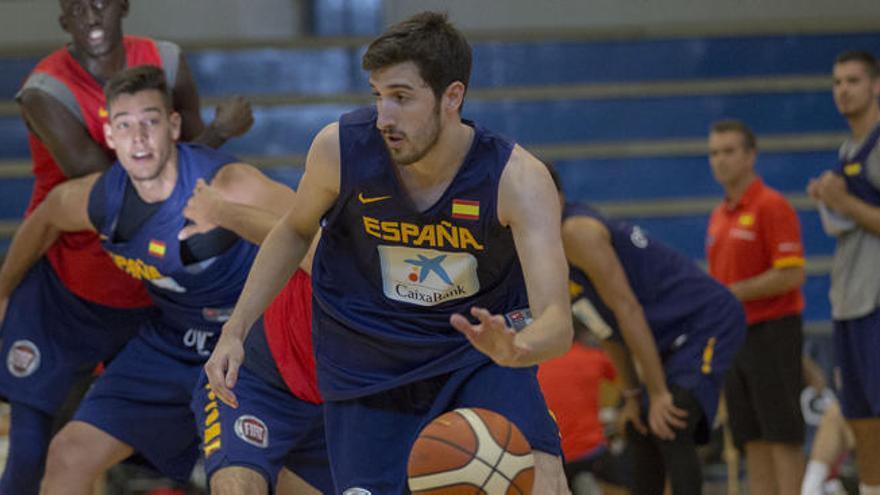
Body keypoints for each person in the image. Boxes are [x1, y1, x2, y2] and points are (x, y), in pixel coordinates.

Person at [206, 11, 574, 495]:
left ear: (452, 97)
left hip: (475, 357)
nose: (384, 117)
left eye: (401, 97)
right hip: (366, 366)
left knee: (542, 481)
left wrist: (520, 347)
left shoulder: (517, 180)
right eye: (378, 96)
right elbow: (293, 231)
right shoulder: (340, 149)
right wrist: (235, 330)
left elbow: (556, 320)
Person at [0, 66, 317, 494]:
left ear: (173, 126)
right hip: (172, 344)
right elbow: (47, 216)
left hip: (248, 349)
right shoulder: (103, 197)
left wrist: (226, 215)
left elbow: (317, 242)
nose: (139, 138)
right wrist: (2, 292)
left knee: (272, 481)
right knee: (68, 454)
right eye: (125, 125)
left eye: (150, 121)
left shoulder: (231, 183)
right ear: (110, 136)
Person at [549, 164, 746, 494]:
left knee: (672, 419)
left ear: (557, 197)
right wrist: (632, 395)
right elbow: (606, 329)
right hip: (666, 337)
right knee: (638, 426)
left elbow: (628, 308)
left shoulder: (576, 231)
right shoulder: (548, 249)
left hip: (705, 320)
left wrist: (656, 393)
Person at [182, 184, 330, 494]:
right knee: (237, 488)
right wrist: (219, 210)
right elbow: (287, 231)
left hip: (341, 402)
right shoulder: (339, 205)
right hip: (260, 379)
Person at [706, 118, 808, 494]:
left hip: (773, 331)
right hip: (735, 337)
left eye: (729, 151)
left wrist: (730, 293)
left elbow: (791, 273)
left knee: (782, 433)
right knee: (751, 436)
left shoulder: (772, 206)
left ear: (751, 156)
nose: (720, 160)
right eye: (714, 153)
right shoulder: (719, 215)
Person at [807, 49, 880, 494]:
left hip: (876, 299)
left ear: (875, 86)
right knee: (860, 412)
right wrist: (828, 201)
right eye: (836, 82)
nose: (843, 90)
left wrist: (843, 201)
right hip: (850, 298)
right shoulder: (847, 149)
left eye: (852, 80)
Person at [537, 323, 630, 494]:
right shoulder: (592, 357)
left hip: (551, 460)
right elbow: (629, 384)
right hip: (591, 453)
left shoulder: (533, 367)